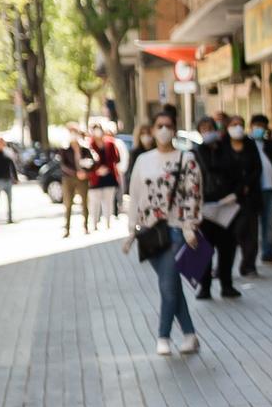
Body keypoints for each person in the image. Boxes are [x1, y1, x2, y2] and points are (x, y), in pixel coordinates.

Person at [125, 110, 203, 355]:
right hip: (149, 232)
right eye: (159, 125)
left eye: (168, 125)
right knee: (172, 286)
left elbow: (194, 194)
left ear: (175, 128)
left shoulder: (186, 158)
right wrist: (131, 230)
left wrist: (191, 225)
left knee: (168, 285)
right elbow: (135, 194)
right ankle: (190, 334)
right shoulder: (144, 160)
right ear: (152, 129)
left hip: (177, 229)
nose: (163, 130)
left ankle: (163, 335)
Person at [194, 115, 254, 300]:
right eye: (203, 128)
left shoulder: (225, 150)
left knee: (227, 248)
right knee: (204, 249)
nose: (207, 132)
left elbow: (238, 173)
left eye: (210, 127)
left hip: (228, 206)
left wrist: (236, 194)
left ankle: (226, 285)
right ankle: (204, 287)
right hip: (205, 207)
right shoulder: (196, 152)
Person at [249, 113, 272, 267]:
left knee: (269, 223)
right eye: (257, 126)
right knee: (252, 225)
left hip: (270, 189)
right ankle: (250, 258)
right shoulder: (247, 144)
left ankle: (268, 253)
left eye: (262, 126)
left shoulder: (269, 143)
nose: (259, 129)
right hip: (254, 191)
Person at [59, 124, 92, 236]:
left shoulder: (85, 148)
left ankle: (86, 226)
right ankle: (67, 229)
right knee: (68, 203)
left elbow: (92, 161)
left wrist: (85, 171)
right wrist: (75, 172)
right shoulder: (65, 149)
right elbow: (63, 165)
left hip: (83, 178)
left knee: (85, 203)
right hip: (69, 179)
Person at [88, 121, 122, 224]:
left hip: (109, 176)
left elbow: (116, 158)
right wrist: (96, 170)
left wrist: (108, 168)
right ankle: (94, 223)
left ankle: (108, 222)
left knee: (108, 201)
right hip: (96, 178)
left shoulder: (110, 143)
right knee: (95, 202)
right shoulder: (89, 145)